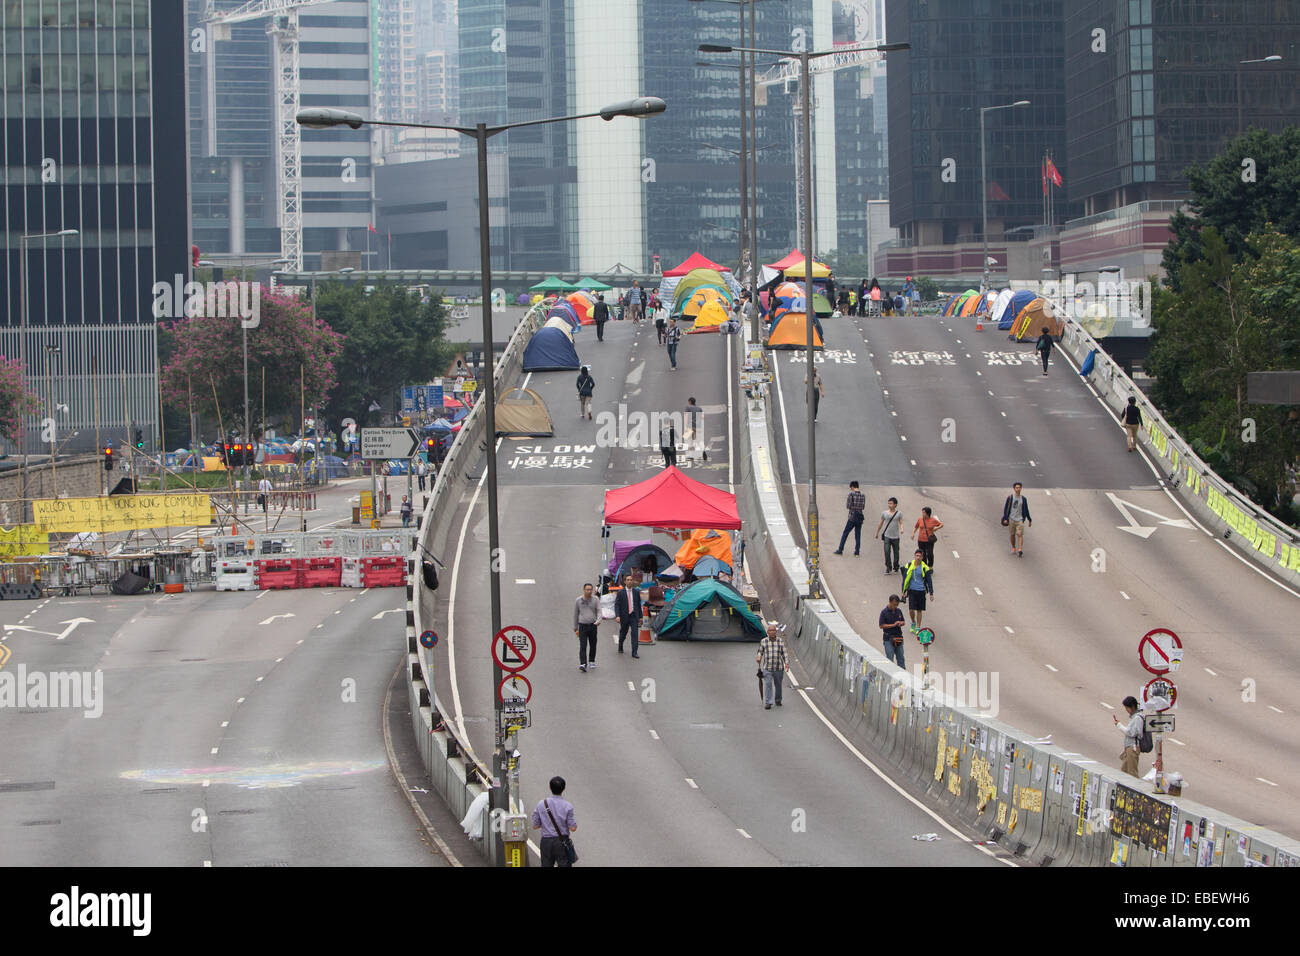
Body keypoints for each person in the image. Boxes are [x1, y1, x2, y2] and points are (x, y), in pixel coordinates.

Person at [531, 776, 578, 867]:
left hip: (546, 842)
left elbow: (535, 825)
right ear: (564, 789)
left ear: (550, 787)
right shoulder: (568, 806)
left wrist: (545, 823)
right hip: (562, 842)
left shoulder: (541, 804)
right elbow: (573, 828)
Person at [900, 549, 934, 633]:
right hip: (912, 590)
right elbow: (905, 579)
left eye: (920, 556)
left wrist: (931, 593)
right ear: (914, 556)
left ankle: (918, 627)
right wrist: (903, 591)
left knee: (919, 610)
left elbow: (929, 580)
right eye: (917, 556)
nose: (918, 557)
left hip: (921, 591)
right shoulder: (909, 565)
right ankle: (913, 622)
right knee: (911, 609)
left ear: (922, 557)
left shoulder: (925, 568)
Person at [756, 623, 789, 709]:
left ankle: (778, 700)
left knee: (778, 685)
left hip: (778, 668)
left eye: (773, 630)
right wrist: (759, 657)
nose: (772, 632)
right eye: (770, 630)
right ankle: (768, 702)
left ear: (776, 632)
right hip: (768, 668)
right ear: (767, 632)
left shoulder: (780, 641)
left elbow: (784, 653)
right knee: (768, 684)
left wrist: (787, 663)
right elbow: (760, 651)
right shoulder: (764, 641)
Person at [1113, 696, 1145, 777]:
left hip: (1132, 748)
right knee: (1124, 771)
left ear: (1133, 707)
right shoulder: (1134, 717)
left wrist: (1119, 725)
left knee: (1132, 773)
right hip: (1129, 747)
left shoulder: (1138, 718)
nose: (1126, 710)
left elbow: (1131, 733)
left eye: (1127, 708)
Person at [833, 480, 866, 556]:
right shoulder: (863, 495)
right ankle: (857, 551)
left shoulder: (851, 494)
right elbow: (863, 507)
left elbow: (848, 506)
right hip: (860, 517)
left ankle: (840, 549)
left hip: (852, 517)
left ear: (852, 487)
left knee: (845, 533)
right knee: (858, 534)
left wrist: (853, 507)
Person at [573, 582, 601, 672]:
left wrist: (598, 620)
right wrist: (575, 626)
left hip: (593, 625)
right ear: (584, 590)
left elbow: (599, 611)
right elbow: (575, 614)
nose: (589, 591)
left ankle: (592, 661)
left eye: (590, 590)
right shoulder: (578, 600)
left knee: (593, 644)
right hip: (582, 626)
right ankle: (583, 663)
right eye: (587, 590)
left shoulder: (595, 599)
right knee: (583, 645)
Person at [615, 573, 642, 658]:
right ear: (625, 582)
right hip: (624, 616)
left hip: (634, 615)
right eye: (628, 580)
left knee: (634, 633)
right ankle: (620, 644)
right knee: (623, 632)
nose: (630, 581)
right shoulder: (620, 592)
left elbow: (638, 604)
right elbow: (617, 605)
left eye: (631, 580)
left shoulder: (636, 592)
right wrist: (618, 615)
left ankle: (634, 652)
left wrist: (640, 617)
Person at [1001, 482, 1031, 557]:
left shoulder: (1023, 499)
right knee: (1012, 534)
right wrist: (1005, 518)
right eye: (1016, 487)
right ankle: (1014, 547)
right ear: (1014, 489)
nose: (1018, 489)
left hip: (1020, 519)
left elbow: (1026, 509)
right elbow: (1006, 508)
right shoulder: (1010, 498)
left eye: (1019, 487)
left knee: (1020, 534)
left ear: (1021, 488)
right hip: (1011, 519)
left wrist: (1029, 519)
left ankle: (1020, 549)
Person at [874, 496, 902, 574]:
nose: (889, 505)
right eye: (888, 503)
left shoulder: (899, 513)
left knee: (896, 552)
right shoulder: (884, 513)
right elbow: (881, 523)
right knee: (887, 552)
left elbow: (901, 522)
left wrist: (902, 529)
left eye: (891, 503)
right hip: (887, 536)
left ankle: (896, 566)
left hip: (895, 536)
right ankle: (888, 567)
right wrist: (877, 532)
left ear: (895, 505)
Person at [879, 595, 907, 667]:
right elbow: (881, 625)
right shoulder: (884, 612)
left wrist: (901, 623)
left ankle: (902, 675)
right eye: (894, 605)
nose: (895, 606)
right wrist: (893, 625)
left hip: (898, 637)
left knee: (901, 658)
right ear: (890, 602)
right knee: (890, 659)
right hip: (888, 639)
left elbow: (903, 622)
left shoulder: (898, 611)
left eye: (897, 605)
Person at [683, 397, 707, 461]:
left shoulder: (687, 407)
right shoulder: (699, 408)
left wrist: (685, 426)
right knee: (699, 441)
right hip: (698, 427)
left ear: (690, 402)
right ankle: (703, 451)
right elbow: (702, 417)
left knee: (689, 441)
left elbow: (686, 416)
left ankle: (691, 455)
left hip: (690, 426)